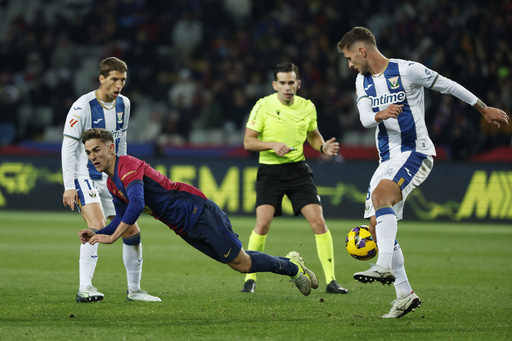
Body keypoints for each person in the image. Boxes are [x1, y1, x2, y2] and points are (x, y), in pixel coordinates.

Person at [337, 26, 509, 318]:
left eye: (350, 57)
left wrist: (482, 109)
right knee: (377, 226)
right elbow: (366, 117)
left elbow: (448, 85)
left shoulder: (408, 71)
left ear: (362, 50)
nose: (350, 64)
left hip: (415, 151)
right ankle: (405, 294)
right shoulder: (361, 82)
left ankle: (383, 265)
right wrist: (380, 114)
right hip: (387, 159)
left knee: (381, 197)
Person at [77, 128, 319, 297]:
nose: (92, 157)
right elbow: (121, 217)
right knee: (238, 261)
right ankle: (291, 262)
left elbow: (137, 205)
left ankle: (293, 268)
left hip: (195, 211)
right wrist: (98, 232)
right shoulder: (112, 183)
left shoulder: (127, 165)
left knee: (242, 264)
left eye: (96, 150)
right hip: (183, 226)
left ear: (110, 148)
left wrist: (111, 237)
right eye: (88, 153)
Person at [241, 62, 348, 294]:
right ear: (274, 85)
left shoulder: (307, 107)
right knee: (262, 224)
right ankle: (250, 279)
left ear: (298, 84)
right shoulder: (263, 106)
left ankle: (331, 281)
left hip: (298, 171)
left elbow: (312, 134)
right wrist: (272, 145)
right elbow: (248, 142)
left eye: (291, 83)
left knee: (319, 222)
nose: (287, 87)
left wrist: (322, 148)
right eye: (282, 83)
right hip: (270, 172)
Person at [61, 57, 160, 303]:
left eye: (123, 80)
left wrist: (124, 174)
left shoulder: (124, 104)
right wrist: (69, 185)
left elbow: (120, 143)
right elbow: (68, 148)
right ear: (102, 78)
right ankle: (85, 287)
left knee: (131, 230)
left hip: (111, 178)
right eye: (114, 79)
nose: (119, 85)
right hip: (85, 175)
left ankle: (135, 290)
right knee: (96, 223)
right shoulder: (81, 106)